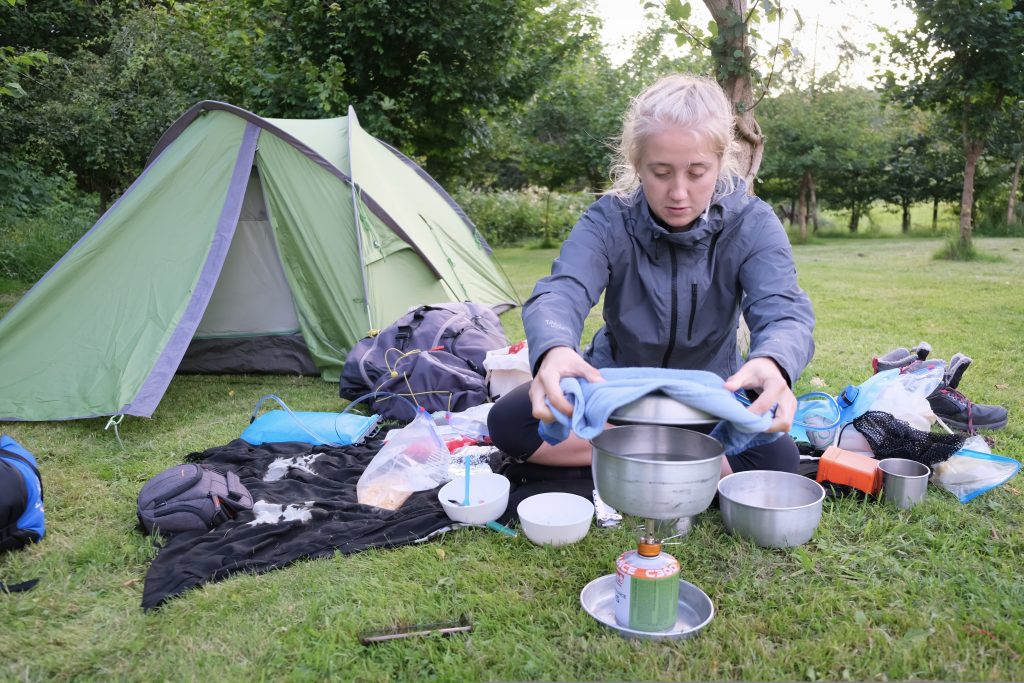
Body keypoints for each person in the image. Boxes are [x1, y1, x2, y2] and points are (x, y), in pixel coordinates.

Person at [487, 73, 815, 477]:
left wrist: (775, 361)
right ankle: (679, 459)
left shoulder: (753, 223)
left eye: (697, 172)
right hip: (615, 391)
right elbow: (562, 290)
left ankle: (626, 455)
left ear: (721, 162)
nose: (678, 193)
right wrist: (554, 349)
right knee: (509, 421)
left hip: (708, 396)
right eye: (661, 172)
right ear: (638, 164)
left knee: (776, 459)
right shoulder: (608, 219)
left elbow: (784, 310)